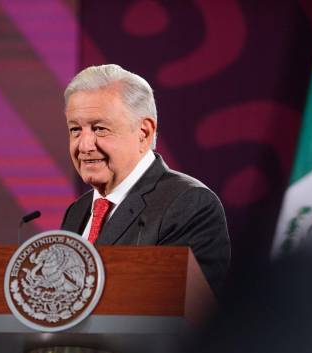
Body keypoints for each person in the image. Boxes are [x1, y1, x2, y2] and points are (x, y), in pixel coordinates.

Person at [60, 64, 230, 297]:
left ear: (144, 132)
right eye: (75, 130)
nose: (84, 145)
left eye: (99, 129)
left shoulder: (189, 204)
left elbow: (182, 307)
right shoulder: (77, 212)